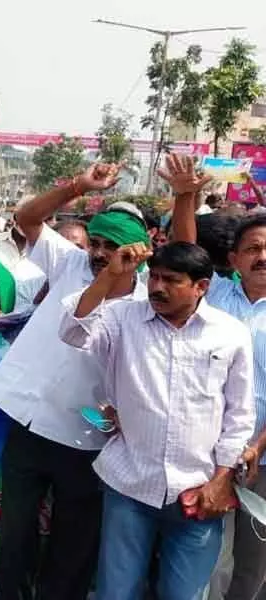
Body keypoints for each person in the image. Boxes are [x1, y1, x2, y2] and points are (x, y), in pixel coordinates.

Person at [0, 162, 150, 600]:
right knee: (15, 536)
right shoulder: (71, 264)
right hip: (29, 421)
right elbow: (26, 219)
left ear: (135, 252)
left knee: (73, 546)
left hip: (89, 435)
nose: (99, 253)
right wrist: (78, 185)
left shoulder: (149, 301)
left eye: (110, 246)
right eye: (95, 242)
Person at [59, 241, 253, 600]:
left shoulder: (230, 333)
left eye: (171, 280)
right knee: (117, 592)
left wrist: (222, 479)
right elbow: (73, 332)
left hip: (199, 489)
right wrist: (109, 277)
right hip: (130, 482)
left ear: (201, 287)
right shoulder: (122, 318)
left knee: (184, 594)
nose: (158, 288)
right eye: (155, 278)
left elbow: (239, 413)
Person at [162, 153, 266, 600]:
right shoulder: (215, 296)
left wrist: (255, 448)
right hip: (203, 452)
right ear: (233, 258)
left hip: (259, 458)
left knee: (253, 560)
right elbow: (187, 246)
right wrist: (187, 195)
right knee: (200, 554)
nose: (262, 257)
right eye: (253, 249)